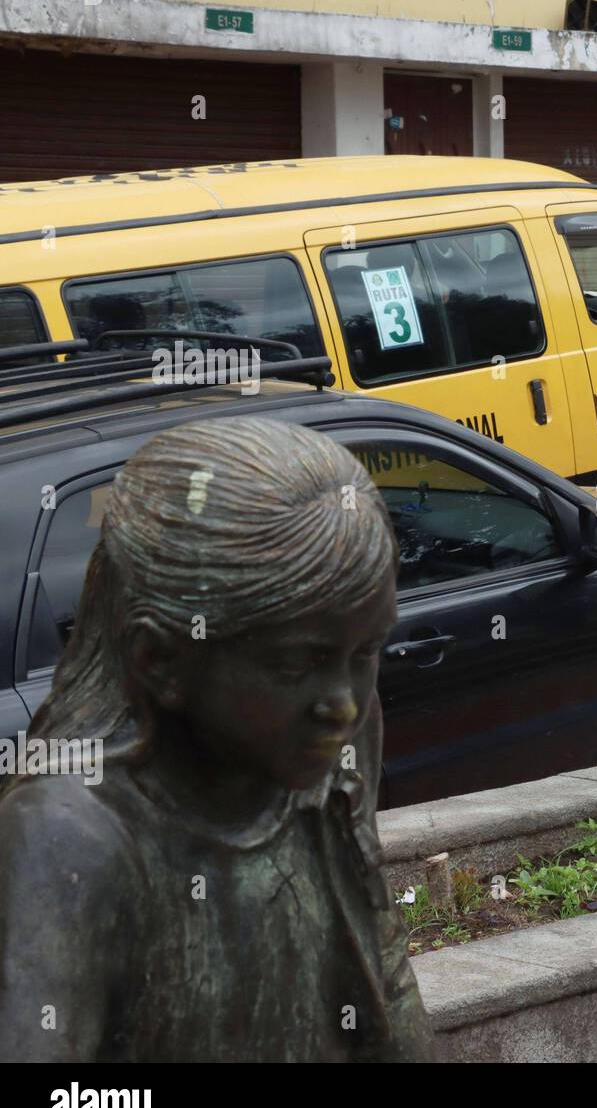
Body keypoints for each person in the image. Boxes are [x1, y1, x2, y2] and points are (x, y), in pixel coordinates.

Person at [0, 418, 432, 1062]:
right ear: (161, 661)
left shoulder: (331, 746)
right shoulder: (71, 837)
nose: (341, 703)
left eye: (365, 653)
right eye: (296, 662)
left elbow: (379, 966)